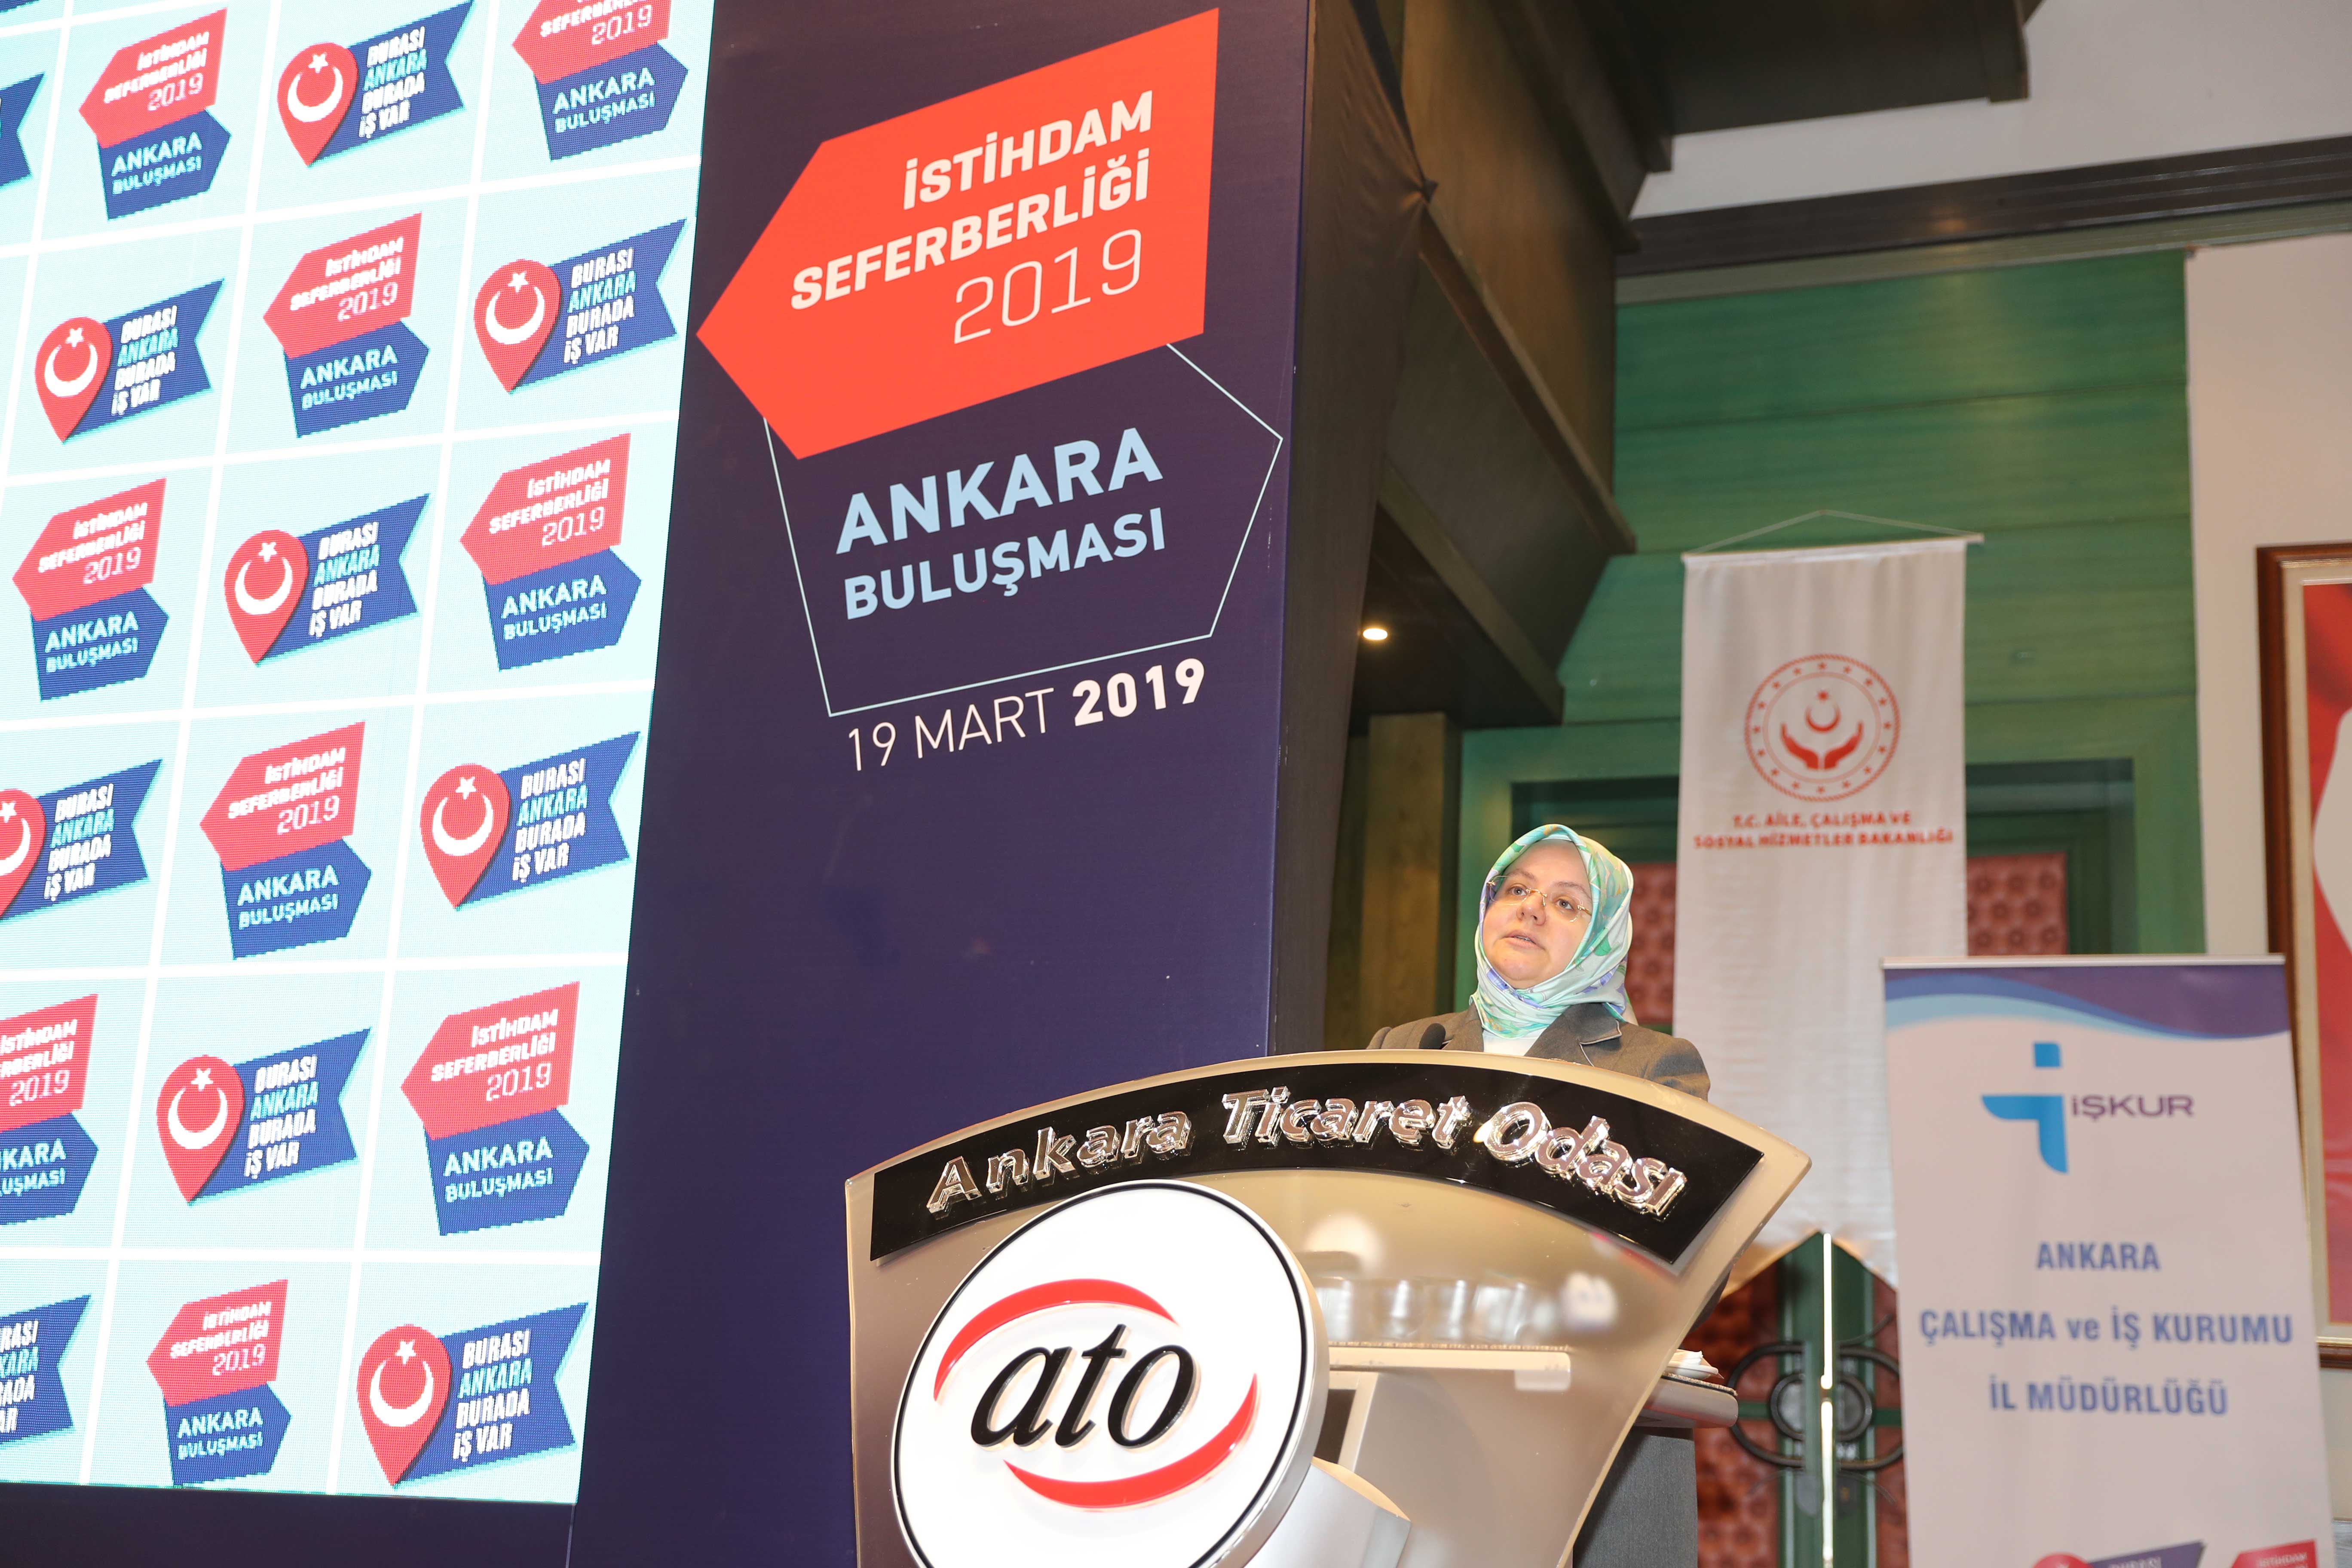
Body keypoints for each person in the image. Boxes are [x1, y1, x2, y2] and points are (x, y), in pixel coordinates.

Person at [1366, 824, 1709, 1101]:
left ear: (1601, 941)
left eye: (1565, 903)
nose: (1530, 908)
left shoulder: (1654, 1068)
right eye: (1517, 889)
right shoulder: (1400, 1046)